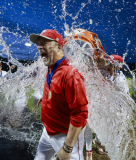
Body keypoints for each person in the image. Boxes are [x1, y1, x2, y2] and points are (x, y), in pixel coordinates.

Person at [30, 29, 88, 160]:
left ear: (58, 46)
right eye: (39, 45)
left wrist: (67, 148)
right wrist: (45, 99)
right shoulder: (51, 66)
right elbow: (55, 89)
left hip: (65, 135)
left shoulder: (70, 74)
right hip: (48, 130)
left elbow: (80, 115)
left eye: (44, 43)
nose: (39, 47)